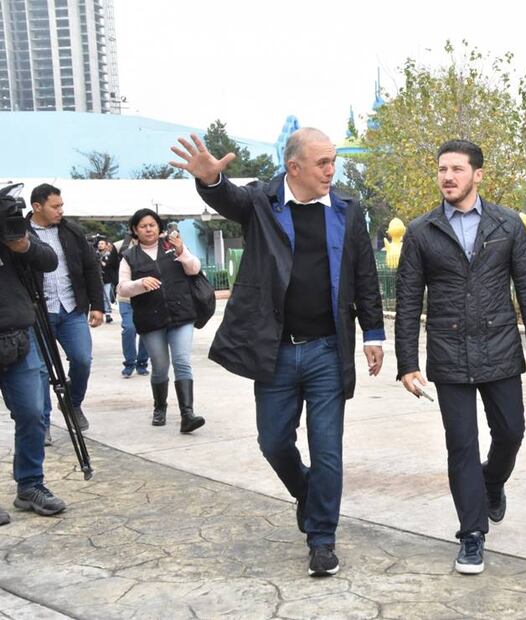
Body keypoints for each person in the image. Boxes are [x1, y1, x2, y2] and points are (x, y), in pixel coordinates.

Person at [170, 127, 385, 577]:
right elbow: (226, 198)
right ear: (294, 167)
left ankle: (322, 538)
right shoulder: (261, 203)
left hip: (328, 350)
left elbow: (364, 272)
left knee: (328, 451)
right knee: (273, 442)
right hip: (276, 353)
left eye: (333, 161)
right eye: (323, 162)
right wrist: (210, 181)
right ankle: (308, 494)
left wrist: (373, 332)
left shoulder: (346, 209)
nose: (332, 170)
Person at [395, 139, 526, 575]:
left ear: (477, 175)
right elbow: (408, 301)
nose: (448, 177)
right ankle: (472, 535)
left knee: (511, 431)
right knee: (461, 445)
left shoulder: (507, 225)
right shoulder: (422, 231)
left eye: (457, 169)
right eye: (442, 169)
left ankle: (493, 481)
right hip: (448, 352)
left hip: (500, 347)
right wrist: (407, 362)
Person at [1, 202, 68, 523]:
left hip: (19, 336)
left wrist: (21, 244)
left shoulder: (10, 225)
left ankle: (29, 485)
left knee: (32, 412)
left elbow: (49, 260)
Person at [117, 209, 204, 433]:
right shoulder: (129, 256)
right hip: (150, 319)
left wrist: (182, 250)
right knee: (160, 366)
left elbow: (194, 269)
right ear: (135, 230)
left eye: (152, 225)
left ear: (159, 227)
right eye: (143, 226)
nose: (148, 229)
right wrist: (140, 283)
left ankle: (187, 414)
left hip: (181, 314)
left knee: (182, 361)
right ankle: (160, 407)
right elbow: (122, 288)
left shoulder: (172, 248)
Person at [28, 183, 104, 442]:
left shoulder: (72, 231)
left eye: (62, 205)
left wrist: (98, 305)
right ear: (37, 207)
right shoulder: (21, 235)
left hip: (72, 309)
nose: (61, 210)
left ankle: (72, 403)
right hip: (39, 313)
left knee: (82, 359)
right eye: (55, 206)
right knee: (41, 370)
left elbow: (92, 268)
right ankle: (44, 422)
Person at [116, 236, 149, 379]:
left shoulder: (157, 247)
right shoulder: (122, 246)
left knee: (147, 330)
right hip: (126, 298)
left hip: (147, 297)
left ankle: (142, 363)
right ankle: (129, 363)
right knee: (129, 328)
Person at [96, 238, 118, 324]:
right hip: (97, 279)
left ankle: (108, 314)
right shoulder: (95, 254)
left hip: (106, 279)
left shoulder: (110, 255)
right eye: (99, 244)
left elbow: (113, 264)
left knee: (106, 297)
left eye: (102, 243)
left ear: (105, 245)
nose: (100, 245)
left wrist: (104, 263)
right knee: (98, 297)